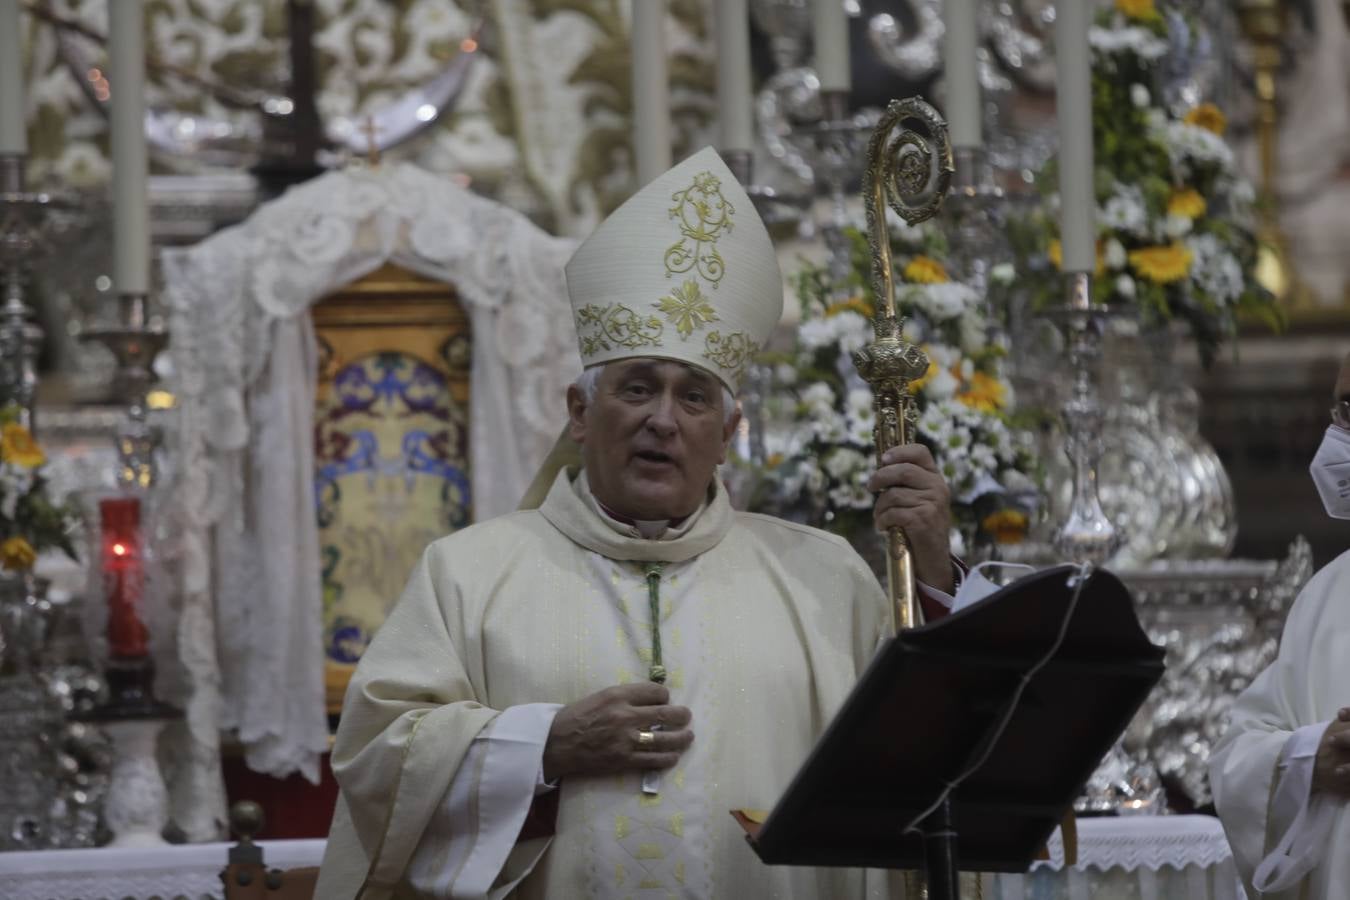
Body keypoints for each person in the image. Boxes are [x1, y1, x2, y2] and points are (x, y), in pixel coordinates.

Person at [315, 148, 957, 900]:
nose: (661, 419)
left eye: (693, 398)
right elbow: (378, 761)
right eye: (637, 387)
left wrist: (935, 570)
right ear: (580, 413)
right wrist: (543, 747)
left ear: (729, 432)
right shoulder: (468, 575)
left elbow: (933, 759)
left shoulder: (825, 579)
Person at [1210, 351, 1350, 900]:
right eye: (1343, 409)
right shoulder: (1329, 593)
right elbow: (1239, 753)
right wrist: (1311, 759)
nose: (1343, 434)